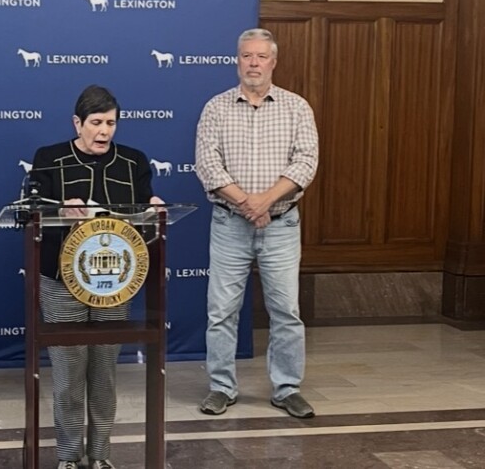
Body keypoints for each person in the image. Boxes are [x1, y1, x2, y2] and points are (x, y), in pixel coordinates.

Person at [31, 85, 164, 469]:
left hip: (114, 282)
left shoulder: (133, 161)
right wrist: (58, 207)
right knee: (69, 374)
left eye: (111, 123)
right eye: (96, 123)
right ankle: (70, 458)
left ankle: (101, 456)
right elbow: (31, 207)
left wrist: (153, 206)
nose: (104, 131)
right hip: (62, 279)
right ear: (78, 123)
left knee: (104, 372)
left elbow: (144, 206)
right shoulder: (49, 159)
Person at [194, 28, 319, 419]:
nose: (253, 63)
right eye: (246, 56)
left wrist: (264, 201)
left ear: (273, 62)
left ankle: (286, 389)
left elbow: (305, 163)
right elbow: (208, 165)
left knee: (285, 310)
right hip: (230, 223)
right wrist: (248, 203)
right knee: (221, 312)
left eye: (261, 56)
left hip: (280, 224)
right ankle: (221, 387)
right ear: (237, 60)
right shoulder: (215, 108)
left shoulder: (297, 107)